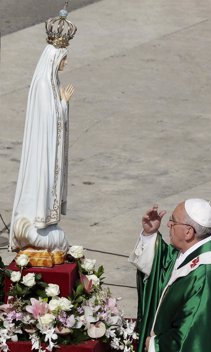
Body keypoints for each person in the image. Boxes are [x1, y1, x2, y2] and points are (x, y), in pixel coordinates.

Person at [129, 199, 211, 352]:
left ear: (189, 232)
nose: (168, 225)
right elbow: (166, 265)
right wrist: (150, 235)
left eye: (173, 222)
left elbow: (191, 337)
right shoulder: (199, 252)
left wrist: (154, 345)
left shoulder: (205, 276)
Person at [9, 6, 77, 253]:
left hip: (48, 148)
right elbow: (47, 118)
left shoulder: (51, 81)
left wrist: (61, 104)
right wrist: (63, 104)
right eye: (64, 57)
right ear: (54, 58)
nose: (66, 62)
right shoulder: (42, 83)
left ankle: (46, 221)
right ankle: (38, 220)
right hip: (42, 151)